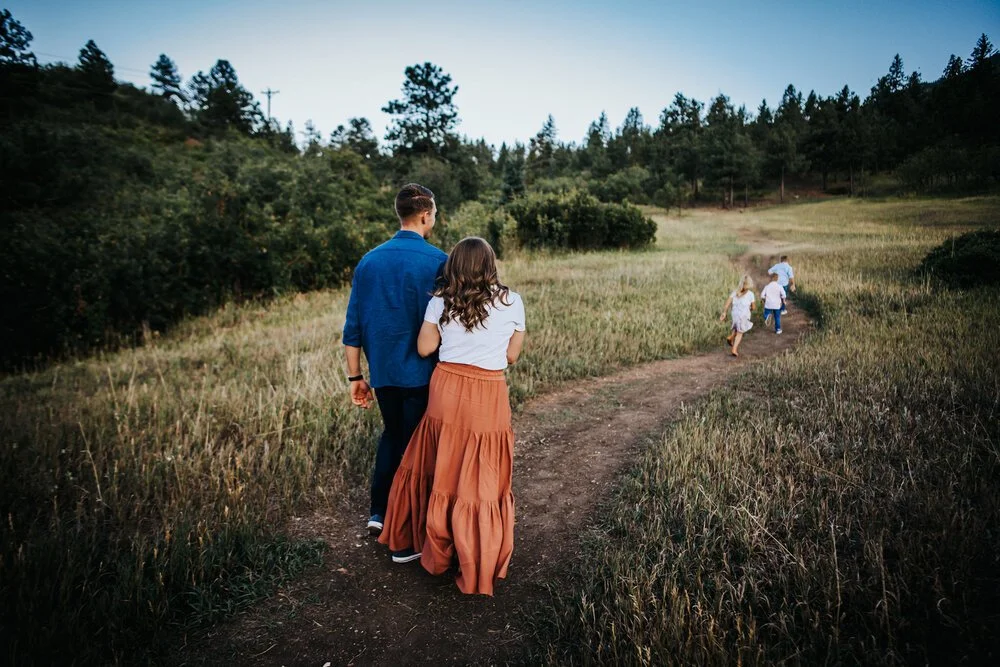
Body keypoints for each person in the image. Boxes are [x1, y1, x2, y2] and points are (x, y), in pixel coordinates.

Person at [379, 237, 526, 596]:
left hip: (446, 388)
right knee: (480, 475)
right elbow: (511, 357)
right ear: (491, 264)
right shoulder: (512, 302)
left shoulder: (440, 301)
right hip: (488, 393)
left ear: (454, 265)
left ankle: (428, 544)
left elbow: (425, 347)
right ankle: (473, 553)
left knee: (439, 464)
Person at [342, 184, 447, 538]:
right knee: (420, 442)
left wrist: (356, 377)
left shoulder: (368, 262)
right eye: (434, 213)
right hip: (425, 372)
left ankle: (379, 512)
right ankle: (414, 520)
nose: (434, 219)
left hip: (384, 373)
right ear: (424, 215)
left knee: (393, 434)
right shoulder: (438, 261)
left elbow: (352, 326)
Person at [720, 274, 755, 357]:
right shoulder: (750, 294)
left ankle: (731, 337)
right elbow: (753, 307)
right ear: (749, 284)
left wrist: (724, 312)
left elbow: (727, 303)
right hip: (743, 314)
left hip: (734, 314)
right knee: (740, 332)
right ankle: (734, 349)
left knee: (737, 326)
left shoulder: (735, 292)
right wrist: (750, 309)